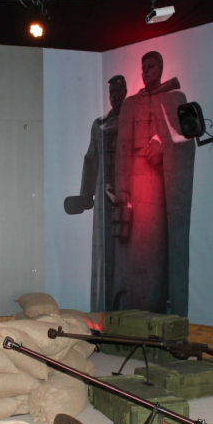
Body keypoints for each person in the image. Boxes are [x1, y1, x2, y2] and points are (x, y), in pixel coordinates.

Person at [113, 51, 195, 316]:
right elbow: (122, 150)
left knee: (156, 249)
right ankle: (133, 308)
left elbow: (185, 140)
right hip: (134, 183)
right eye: (143, 67)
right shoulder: (130, 104)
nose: (146, 71)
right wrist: (122, 192)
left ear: (160, 69)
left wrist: (164, 145)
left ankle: (155, 308)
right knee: (134, 252)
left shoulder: (175, 98)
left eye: (151, 66)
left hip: (158, 183)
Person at [64, 75, 127, 311]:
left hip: (127, 193)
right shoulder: (99, 125)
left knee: (127, 252)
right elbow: (91, 159)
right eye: (112, 93)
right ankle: (104, 310)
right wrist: (85, 196)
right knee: (104, 253)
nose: (115, 96)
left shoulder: (131, 120)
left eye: (119, 92)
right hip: (102, 198)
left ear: (126, 92)